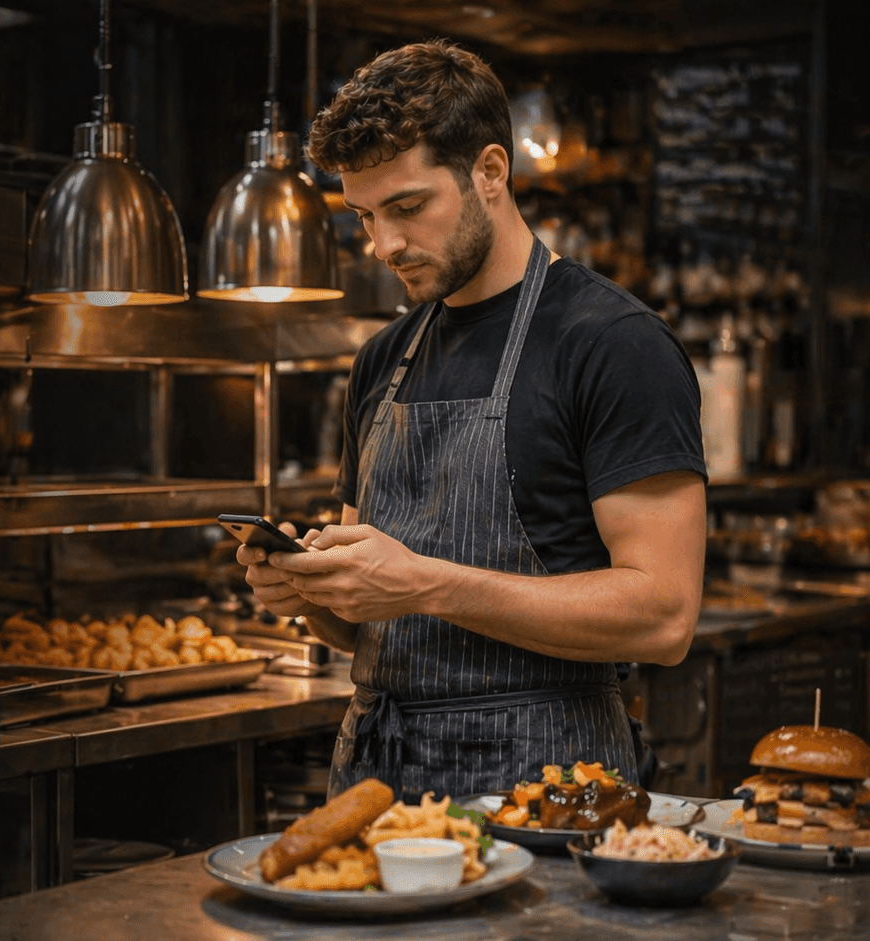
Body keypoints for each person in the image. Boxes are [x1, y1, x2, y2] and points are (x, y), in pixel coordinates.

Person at [238, 40, 706, 799]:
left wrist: (426, 583)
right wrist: (311, 595)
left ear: (490, 171)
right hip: (378, 785)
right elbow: (370, 622)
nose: (384, 245)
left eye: (407, 207)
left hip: (545, 789)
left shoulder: (613, 343)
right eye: (364, 216)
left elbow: (664, 617)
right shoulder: (382, 359)